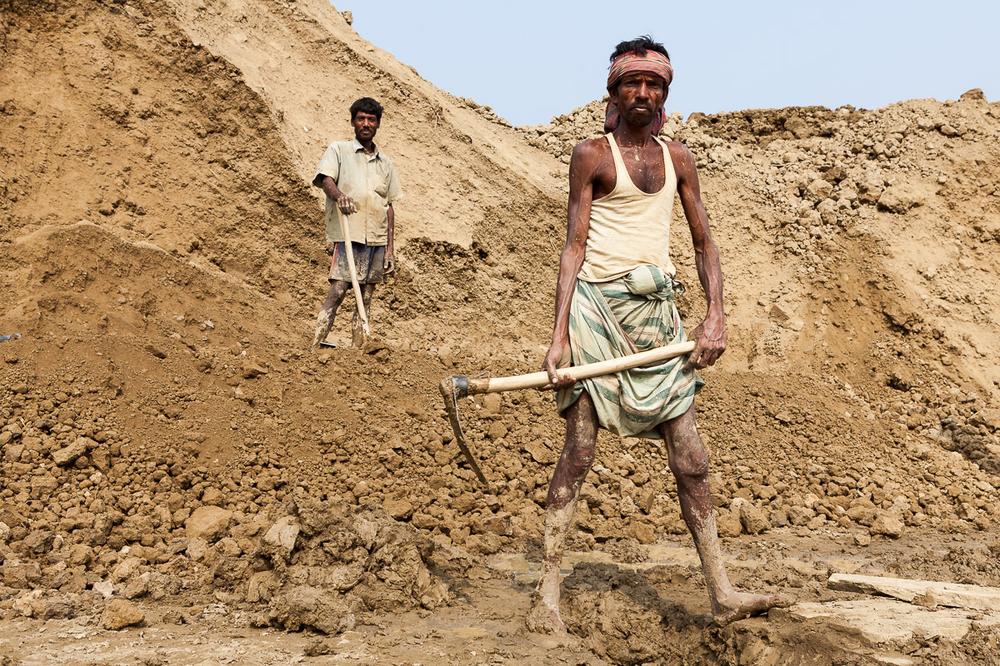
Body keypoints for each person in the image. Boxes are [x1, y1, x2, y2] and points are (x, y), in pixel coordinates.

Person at [527, 36, 782, 632]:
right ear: (613, 91)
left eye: (653, 84)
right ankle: (548, 591)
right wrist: (558, 335)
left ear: (665, 93)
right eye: (632, 83)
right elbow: (573, 246)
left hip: (658, 319)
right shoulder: (591, 155)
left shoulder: (679, 158)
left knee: (692, 459)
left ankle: (721, 591)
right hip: (597, 313)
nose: (642, 92)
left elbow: (703, 243)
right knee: (579, 451)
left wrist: (716, 315)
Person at [312, 97, 401, 348]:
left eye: (371, 120)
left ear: (378, 124)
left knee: (366, 296)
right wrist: (339, 196)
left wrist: (390, 249)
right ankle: (315, 346)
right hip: (348, 234)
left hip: (376, 238)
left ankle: (357, 351)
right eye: (361, 118)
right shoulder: (339, 150)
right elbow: (326, 179)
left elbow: (389, 206)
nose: (366, 124)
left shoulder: (386, 163)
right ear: (353, 122)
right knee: (338, 290)